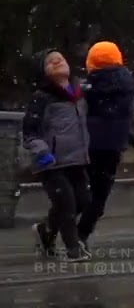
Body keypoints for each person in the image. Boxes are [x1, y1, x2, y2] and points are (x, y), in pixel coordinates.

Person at [23, 49, 92, 261]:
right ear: (42, 72)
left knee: (83, 201)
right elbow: (29, 132)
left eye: (60, 59)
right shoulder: (41, 98)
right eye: (50, 62)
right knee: (67, 204)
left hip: (77, 160)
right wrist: (42, 152)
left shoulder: (79, 94)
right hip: (51, 163)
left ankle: (46, 232)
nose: (57, 62)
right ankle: (73, 248)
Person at [77, 41, 134, 246]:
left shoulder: (89, 87)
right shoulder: (127, 85)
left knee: (77, 192)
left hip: (86, 145)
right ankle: (81, 235)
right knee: (99, 194)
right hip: (112, 146)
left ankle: (54, 230)